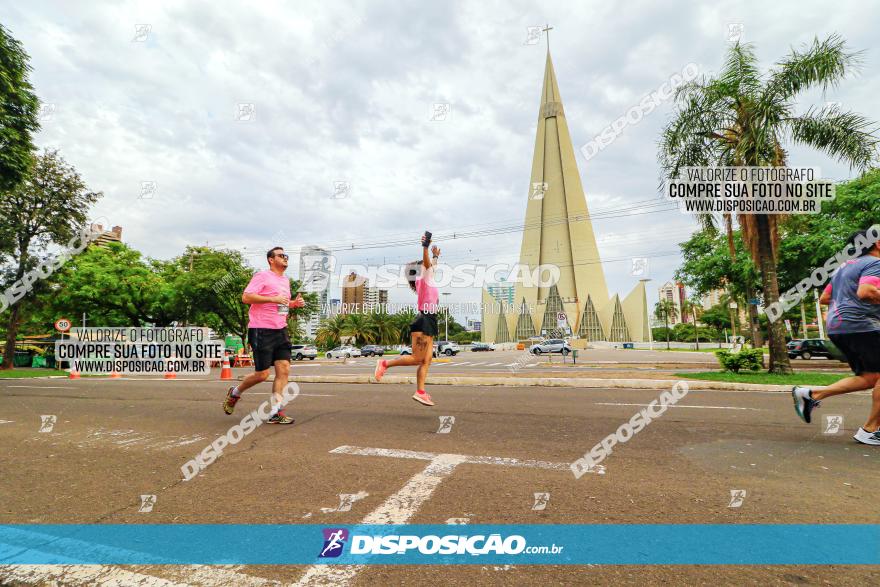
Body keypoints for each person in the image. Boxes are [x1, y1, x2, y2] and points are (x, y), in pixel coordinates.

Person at [791, 227, 880, 445]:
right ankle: (870, 430)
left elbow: (824, 297)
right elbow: (866, 291)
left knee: (870, 377)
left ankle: (812, 394)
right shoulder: (875, 263)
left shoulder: (844, 267)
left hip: (839, 326)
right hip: (862, 326)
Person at [223, 247, 304, 424]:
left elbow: (281, 305)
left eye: (286, 256)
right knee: (262, 374)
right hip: (261, 329)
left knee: (284, 369)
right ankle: (235, 392)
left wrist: (293, 304)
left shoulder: (285, 281)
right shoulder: (262, 276)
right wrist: (272, 299)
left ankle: (276, 412)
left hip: (280, 330)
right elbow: (246, 297)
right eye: (281, 255)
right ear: (270, 260)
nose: (285, 258)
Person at [373, 233, 440, 406]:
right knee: (417, 358)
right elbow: (427, 265)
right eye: (425, 266)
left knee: (427, 360)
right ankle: (384, 363)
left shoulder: (427, 279)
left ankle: (420, 391)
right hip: (424, 320)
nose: (430, 267)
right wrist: (425, 247)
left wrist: (435, 256)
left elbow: (431, 265)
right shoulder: (423, 278)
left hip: (430, 320)